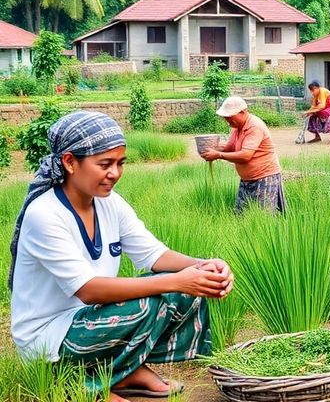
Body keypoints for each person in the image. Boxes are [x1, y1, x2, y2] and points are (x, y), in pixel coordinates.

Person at [9, 111, 234, 401]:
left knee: (187, 289)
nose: (114, 173)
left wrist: (204, 265)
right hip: (49, 337)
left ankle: (123, 371)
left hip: (92, 319)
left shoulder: (109, 203)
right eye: (104, 164)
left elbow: (154, 254)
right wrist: (178, 281)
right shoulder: (45, 214)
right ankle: (78, 383)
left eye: (120, 163)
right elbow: (89, 290)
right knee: (159, 295)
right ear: (69, 162)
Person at [201, 96, 286, 213]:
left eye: (230, 117)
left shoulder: (254, 126)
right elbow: (230, 147)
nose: (227, 120)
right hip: (247, 179)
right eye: (225, 117)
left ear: (243, 112)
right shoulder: (237, 127)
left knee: (263, 218)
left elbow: (246, 155)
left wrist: (218, 155)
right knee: (241, 215)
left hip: (265, 177)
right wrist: (210, 148)